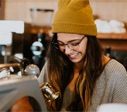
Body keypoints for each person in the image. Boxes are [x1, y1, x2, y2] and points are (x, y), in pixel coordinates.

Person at [11, 0, 127, 112]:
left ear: (90, 39)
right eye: (61, 44)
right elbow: (37, 105)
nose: (67, 51)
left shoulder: (115, 74)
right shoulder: (53, 65)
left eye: (75, 43)